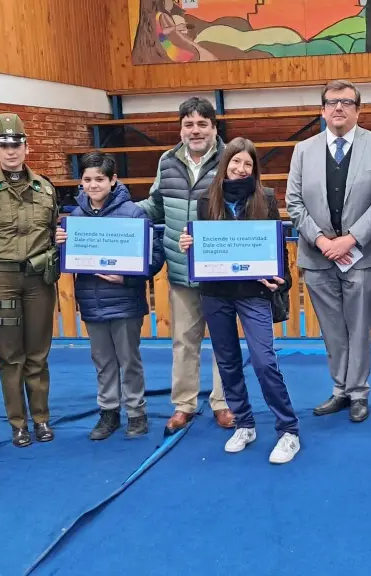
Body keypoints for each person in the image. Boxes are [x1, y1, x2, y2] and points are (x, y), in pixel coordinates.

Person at [178, 138, 300, 464]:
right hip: (216, 293)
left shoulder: (267, 199)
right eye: (236, 162)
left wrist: (281, 279)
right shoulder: (207, 201)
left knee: (264, 360)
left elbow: (277, 247)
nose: (241, 169)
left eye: (248, 164)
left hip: (254, 293)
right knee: (228, 362)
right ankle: (245, 423)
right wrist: (190, 244)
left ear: (254, 169)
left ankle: (288, 430)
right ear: (226, 164)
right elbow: (202, 245)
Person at [285, 79, 371, 423]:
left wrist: (351, 239)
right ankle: (340, 390)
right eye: (332, 102)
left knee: (359, 327)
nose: (338, 108)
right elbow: (293, 201)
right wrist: (321, 240)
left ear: (358, 110)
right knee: (332, 329)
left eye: (347, 102)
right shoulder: (303, 150)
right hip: (318, 257)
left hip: (362, 255)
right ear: (322, 110)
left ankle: (359, 392)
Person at [136, 97, 235, 435]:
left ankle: (223, 403)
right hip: (180, 270)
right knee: (183, 341)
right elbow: (155, 204)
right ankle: (184, 404)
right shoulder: (167, 161)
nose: (195, 131)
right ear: (181, 128)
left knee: (224, 341)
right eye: (188, 124)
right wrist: (116, 212)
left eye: (202, 124)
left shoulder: (229, 160)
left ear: (214, 127)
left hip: (220, 271)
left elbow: (244, 205)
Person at [0, 113, 59, 447]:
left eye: (16, 144)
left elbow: (51, 230)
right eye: (4, 145)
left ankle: (42, 419)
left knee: (38, 352)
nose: (11, 151)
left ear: (26, 147)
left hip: (38, 281)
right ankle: (18, 423)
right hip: (0, 279)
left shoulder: (44, 187)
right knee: (9, 354)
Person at [54, 152, 165, 440]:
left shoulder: (134, 214)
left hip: (125, 300)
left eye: (100, 179)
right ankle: (108, 412)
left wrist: (126, 276)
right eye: (87, 180)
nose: (93, 185)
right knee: (102, 360)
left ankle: (136, 412)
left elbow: (154, 257)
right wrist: (61, 246)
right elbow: (64, 261)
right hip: (91, 301)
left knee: (129, 359)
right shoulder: (74, 218)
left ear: (113, 180)